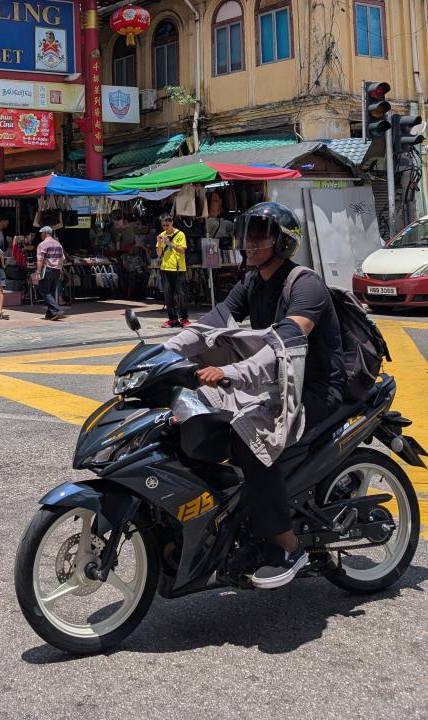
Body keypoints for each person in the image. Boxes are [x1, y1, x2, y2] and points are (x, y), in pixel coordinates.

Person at [166, 201, 344, 589]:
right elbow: (210, 324)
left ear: (284, 242)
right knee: (194, 416)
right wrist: (162, 354)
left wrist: (230, 373)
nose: (250, 242)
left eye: (260, 235)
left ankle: (287, 546)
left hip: (314, 388)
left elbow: (284, 345)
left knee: (248, 439)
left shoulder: (305, 285)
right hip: (277, 381)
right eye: (248, 233)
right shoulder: (253, 281)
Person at [156, 215, 189, 327]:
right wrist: (159, 243)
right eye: (163, 225)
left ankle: (184, 318)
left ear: (172, 223)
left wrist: (170, 243)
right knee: (168, 295)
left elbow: (182, 250)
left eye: (167, 224)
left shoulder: (180, 234)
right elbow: (159, 253)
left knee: (182, 295)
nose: (165, 227)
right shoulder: (161, 235)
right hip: (165, 268)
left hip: (178, 268)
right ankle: (173, 319)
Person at [34, 225, 66, 321]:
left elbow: (40, 259)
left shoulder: (42, 244)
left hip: (47, 270)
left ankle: (56, 310)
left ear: (44, 234)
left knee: (43, 290)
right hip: (56, 270)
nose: (41, 235)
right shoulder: (58, 244)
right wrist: (60, 270)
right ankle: (50, 314)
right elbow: (62, 259)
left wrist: (38, 272)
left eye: (41, 234)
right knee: (51, 292)